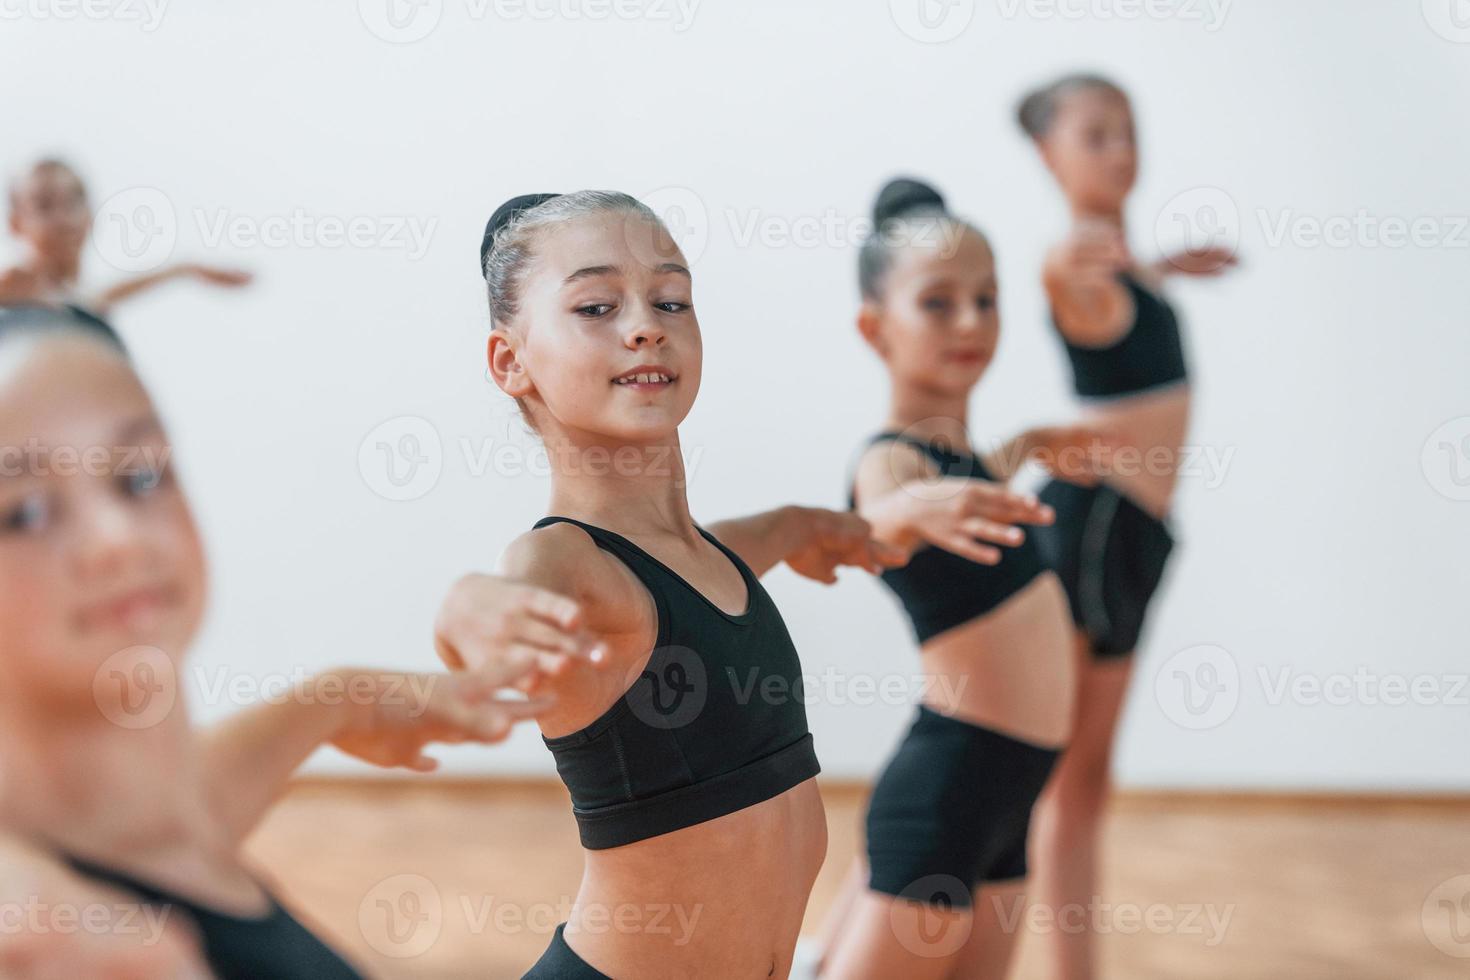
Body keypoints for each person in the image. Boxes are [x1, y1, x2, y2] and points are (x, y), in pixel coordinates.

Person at [436, 190, 910, 978]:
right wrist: (465, 607)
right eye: (595, 306)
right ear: (510, 362)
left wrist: (820, 526)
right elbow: (506, 594)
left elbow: (763, 539)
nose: (645, 323)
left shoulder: (698, 559)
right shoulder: (569, 568)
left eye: (671, 298)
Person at [0, 307, 555, 978]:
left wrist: (338, 700)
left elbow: (187, 814)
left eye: (140, 477)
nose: (118, 538)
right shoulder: (63, 945)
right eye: (25, 512)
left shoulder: (146, 832)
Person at [817, 178, 1111, 980]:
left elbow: (963, 479)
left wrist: (1026, 447)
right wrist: (907, 510)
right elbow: (873, 519)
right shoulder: (892, 459)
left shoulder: (961, 463)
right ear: (876, 330)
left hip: (1006, 799)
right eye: (938, 303)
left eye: (987, 298)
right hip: (946, 796)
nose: (972, 321)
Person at [1016, 73, 1236, 980]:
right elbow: (1066, 274)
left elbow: (1114, 272)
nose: (1119, 150)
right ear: (1047, 155)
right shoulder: (1075, 265)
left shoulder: (1116, 264)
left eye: (1127, 130)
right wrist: (1143, 269)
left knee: (1083, 783)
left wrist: (1163, 267)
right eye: (1094, 134)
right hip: (1094, 528)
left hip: (1133, 536)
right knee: (1027, 772)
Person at [1, 158, 250, 315]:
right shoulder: (17, 283)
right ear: (15, 224)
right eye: (44, 206)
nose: (64, 219)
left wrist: (183, 269)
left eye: (73, 202)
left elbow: (92, 300)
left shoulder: (69, 299)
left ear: (91, 216)